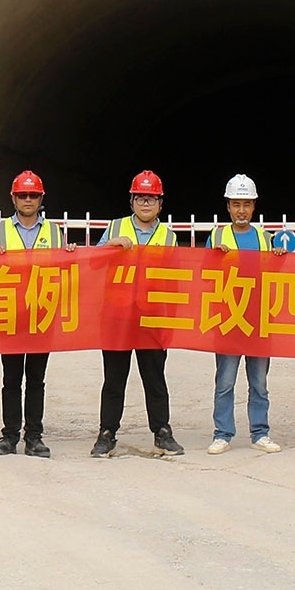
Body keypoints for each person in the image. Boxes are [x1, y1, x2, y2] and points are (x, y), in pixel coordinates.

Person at [94, 170, 183, 458]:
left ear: (160, 204)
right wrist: (111, 245)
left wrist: (172, 320)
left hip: (152, 317)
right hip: (117, 317)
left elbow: (177, 279)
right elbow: (93, 263)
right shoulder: (115, 227)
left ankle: (162, 432)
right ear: (131, 201)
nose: (146, 203)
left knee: (155, 378)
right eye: (141, 198)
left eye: (151, 198)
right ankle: (107, 433)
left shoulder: (168, 236)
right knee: (114, 379)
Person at [207, 173, 286, 455]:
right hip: (228, 319)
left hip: (258, 319)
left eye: (246, 204)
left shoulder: (265, 239)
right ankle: (222, 434)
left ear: (254, 207)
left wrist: (280, 257)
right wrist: (214, 257)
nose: (241, 210)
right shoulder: (217, 237)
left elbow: (279, 277)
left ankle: (260, 433)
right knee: (225, 382)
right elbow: (204, 275)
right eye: (236, 204)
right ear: (228, 206)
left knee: (259, 383)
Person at [0, 169, 64, 458]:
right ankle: (9, 436)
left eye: (33, 195)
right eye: (22, 195)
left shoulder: (54, 232)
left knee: (36, 379)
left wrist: (72, 254)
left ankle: (34, 437)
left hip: (41, 315)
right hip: (10, 315)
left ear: (41, 198)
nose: (28, 199)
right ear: (13, 198)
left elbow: (66, 272)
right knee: (11, 379)